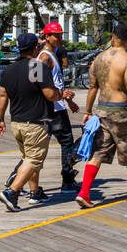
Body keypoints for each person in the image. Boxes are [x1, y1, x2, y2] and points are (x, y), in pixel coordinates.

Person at [77, 24, 127, 208]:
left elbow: (92, 88)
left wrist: (87, 112)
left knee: (98, 152)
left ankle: (84, 193)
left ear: (112, 37)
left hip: (102, 110)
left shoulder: (98, 59)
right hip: (122, 112)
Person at [0, 33, 72, 211]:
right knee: (34, 159)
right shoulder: (35, 67)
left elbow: (2, 96)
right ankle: (11, 192)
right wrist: (63, 94)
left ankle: (35, 192)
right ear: (35, 48)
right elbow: (49, 94)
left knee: (27, 158)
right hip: (35, 121)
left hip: (16, 122)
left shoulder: (9, 70)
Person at [38, 22, 82, 193]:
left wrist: (67, 99)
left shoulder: (52, 54)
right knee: (64, 144)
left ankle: (68, 179)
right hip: (51, 109)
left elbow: (55, 82)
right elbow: (37, 82)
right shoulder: (44, 57)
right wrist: (58, 96)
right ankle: (67, 180)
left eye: (61, 35)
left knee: (63, 143)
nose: (59, 38)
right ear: (46, 36)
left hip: (57, 105)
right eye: (55, 35)